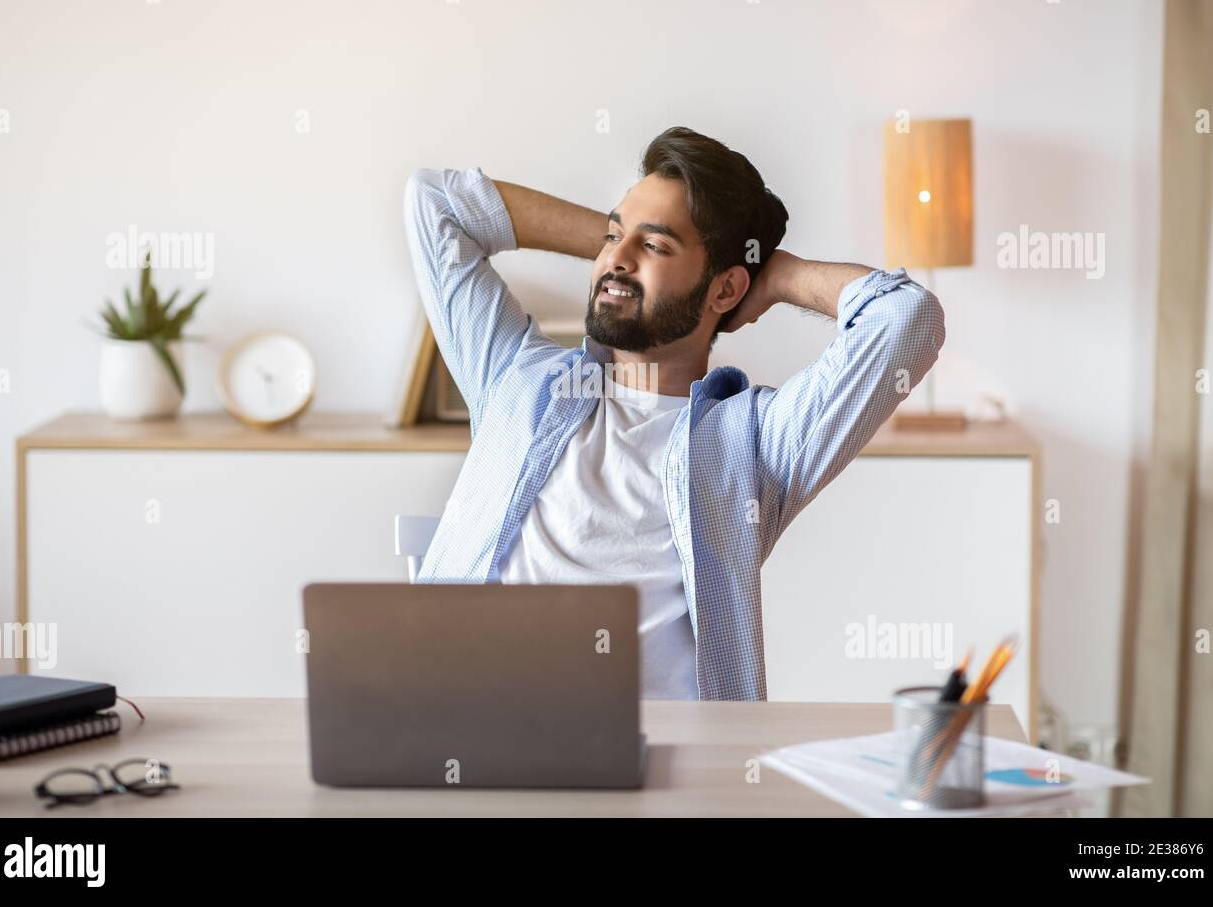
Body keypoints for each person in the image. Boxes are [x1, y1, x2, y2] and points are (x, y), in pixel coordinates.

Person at [403, 126, 945, 700]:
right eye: (614, 237)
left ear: (726, 291)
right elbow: (435, 201)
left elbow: (908, 319)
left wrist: (773, 275)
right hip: (468, 730)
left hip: (661, 769)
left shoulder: (756, 443)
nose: (615, 260)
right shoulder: (516, 376)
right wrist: (628, 245)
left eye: (656, 246)